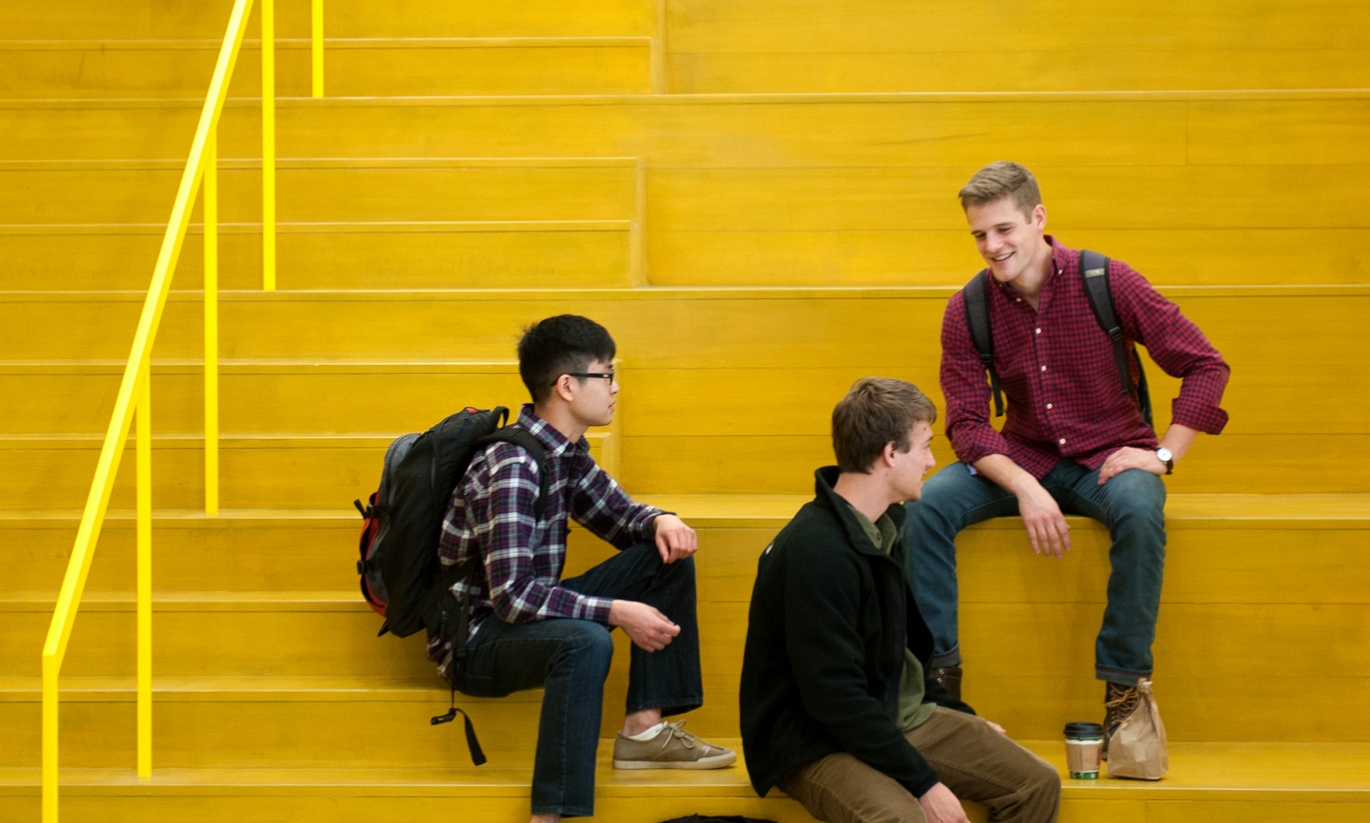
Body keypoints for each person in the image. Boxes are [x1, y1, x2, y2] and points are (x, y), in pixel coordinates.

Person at [904, 161, 1230, 742]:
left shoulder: (1107, 280)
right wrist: (1025, 487)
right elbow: (971, 425)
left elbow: (1205, 364)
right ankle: (938, 690)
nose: (992, 246)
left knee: (1139, 508)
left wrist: (1163, 457)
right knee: (926, 504)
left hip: (1110, 458)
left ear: (1038, 218)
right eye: (979, 235)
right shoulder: (967, 308)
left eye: (1003, 229)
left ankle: (1125, 693)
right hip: (1021, 456)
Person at [428, 314, 735, 823]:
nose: (616, 388)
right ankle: (553, 814)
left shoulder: (564, 455)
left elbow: (622, 518)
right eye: (607, 375)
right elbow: (512, 597)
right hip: (475, 642)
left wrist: (662, 519)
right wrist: (617, 611)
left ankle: (643, 732)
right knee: (586, 639)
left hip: (520, 618)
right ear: (567, 386)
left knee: (667, 554)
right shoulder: (513, 466)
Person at [740, 377, 1061, 823]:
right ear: (891, 453)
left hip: (889, 714)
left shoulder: (889, 525)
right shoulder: (817, 552)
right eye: (925, 446)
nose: (932, 461)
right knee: (902, 819)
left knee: (1036, 782)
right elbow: (834, 698)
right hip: (814, 739)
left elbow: (901, 656)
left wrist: (959, 719)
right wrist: (925, 784)